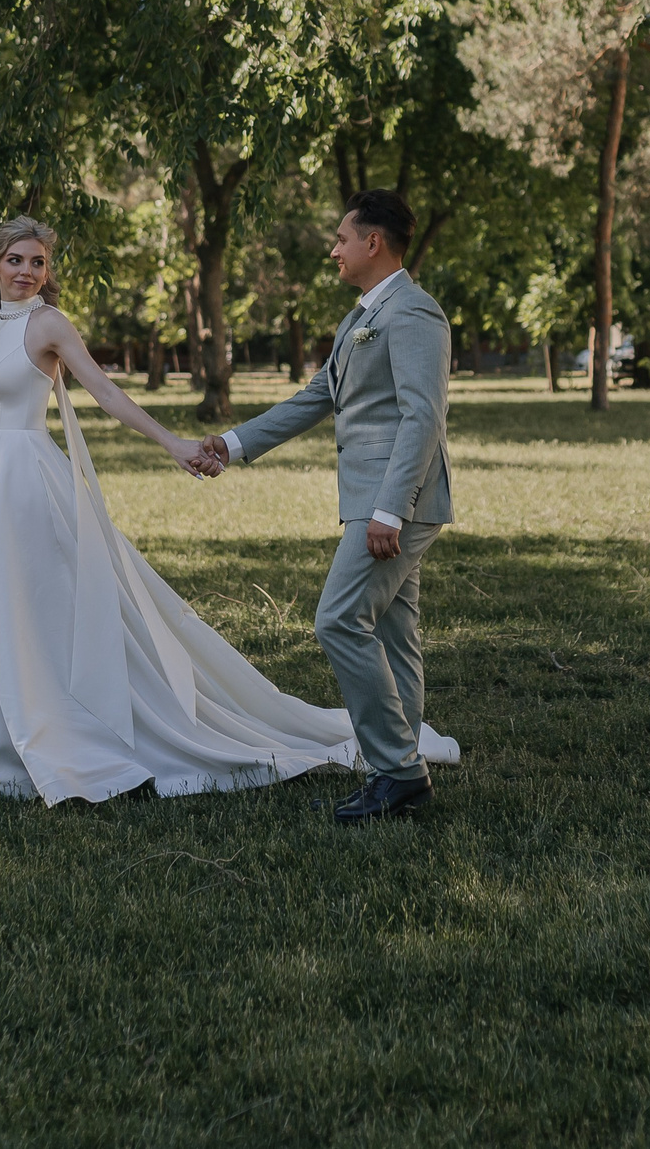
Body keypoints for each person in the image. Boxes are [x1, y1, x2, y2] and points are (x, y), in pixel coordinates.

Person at [0, 214, 460, 805]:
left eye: (39, 262)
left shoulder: (49, 324)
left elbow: (105, 392)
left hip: (29, 479)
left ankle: (53, 733)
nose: (28, 271)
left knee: (28, 606)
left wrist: (174, 443)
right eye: (17, 260)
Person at [198, 190, 454, 825]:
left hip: (396, 501)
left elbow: (422, 418)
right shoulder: (360, 317)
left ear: (373, 242)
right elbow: (314, 398)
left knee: (338, 620)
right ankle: (395, 768)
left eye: (342, 238)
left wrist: (391, 510)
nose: (334, 250)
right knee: (393, 632)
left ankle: (400, 774)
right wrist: (231, 444)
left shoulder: (413, 313)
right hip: (376, 500)